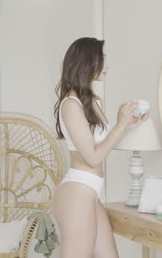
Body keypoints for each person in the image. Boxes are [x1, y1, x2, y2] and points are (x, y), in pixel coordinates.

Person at [52, 37, 147, 258]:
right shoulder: (70, 104)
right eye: (102, 58)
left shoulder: (94, 102)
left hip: (91, 194)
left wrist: (129, 125)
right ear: (87, 62)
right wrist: (120, 124)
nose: (107, 65)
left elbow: (104, 145)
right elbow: (93, 158)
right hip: (76, 193)